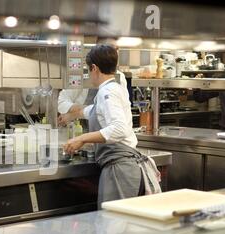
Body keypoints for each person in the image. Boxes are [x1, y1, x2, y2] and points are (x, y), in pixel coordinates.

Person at [63, 44, 161, 208]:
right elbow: (95, 111)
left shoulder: (107, 92)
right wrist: (71, 115)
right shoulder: (115, 88)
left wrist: (81, 138)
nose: (89, 75)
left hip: (120, 170)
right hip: (123, 168)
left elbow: (119, 129)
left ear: (94, 68)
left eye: (88, 70)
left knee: (113, 228)